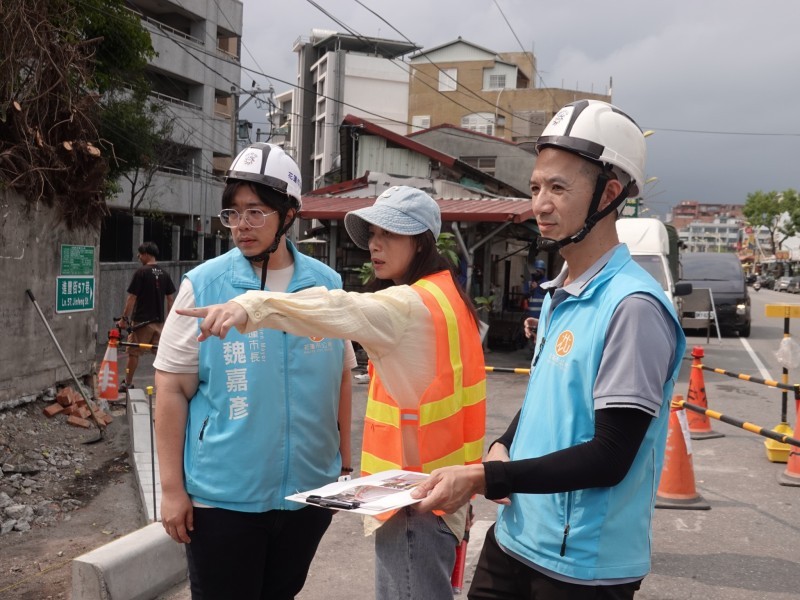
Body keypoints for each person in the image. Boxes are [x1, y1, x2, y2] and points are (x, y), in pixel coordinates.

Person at [410, 99, 687, 600]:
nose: (540, 203)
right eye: (536, 186)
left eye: (559, 188)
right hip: (516, 538)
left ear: (610, 194)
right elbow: (547, 396)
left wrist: (485, 476)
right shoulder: (562, 291)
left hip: (581, 566)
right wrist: (504, 443)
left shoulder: (633, 307)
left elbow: (610, 455)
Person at [177, 185, 487, 600]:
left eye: (389, 235)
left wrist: (252, 306)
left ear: (421, 243)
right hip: (443, 495)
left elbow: (339, 308)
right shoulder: (449, 298)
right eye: (373, 235)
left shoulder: (408, 305)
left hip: (412, 502)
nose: (375, 246)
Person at [153, 143, 356, 600]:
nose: (241, 225)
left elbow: (342, 376)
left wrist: (343, 466)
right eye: (233, 212)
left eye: (256, 212)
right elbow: (170, 386)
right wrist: (172, 490)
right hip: (223, 502)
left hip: (309, 496)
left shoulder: (326, 286)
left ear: (288, 215)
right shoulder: (204, 285)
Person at [116, 241, 176, 391]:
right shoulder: (165, 274)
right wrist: (169, 322)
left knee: (133, 353)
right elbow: (170, 299)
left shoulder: (141, 273)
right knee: (161, 355)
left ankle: (128, 382)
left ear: (147, 254)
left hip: (141, 323)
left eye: (140, 253)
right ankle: (165, 386)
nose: (138, 256)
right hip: (160, 324)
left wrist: (124, 319)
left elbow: (132, 298)